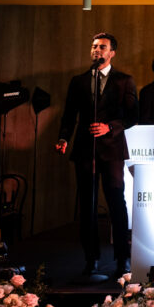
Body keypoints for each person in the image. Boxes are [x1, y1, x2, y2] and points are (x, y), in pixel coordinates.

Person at [56, 33, 138, 277]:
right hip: (84, 149)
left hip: (112, 149)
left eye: (102, 47)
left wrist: (109, 127)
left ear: (112, 52)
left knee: (116, 203)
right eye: (93, 46)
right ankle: (91, 260)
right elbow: (69, 114)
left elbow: (133, 116)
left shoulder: (124, 80)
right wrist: (63, 138)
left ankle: (123, 258)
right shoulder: (78, 81)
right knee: (87, 206)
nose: (96, 50)